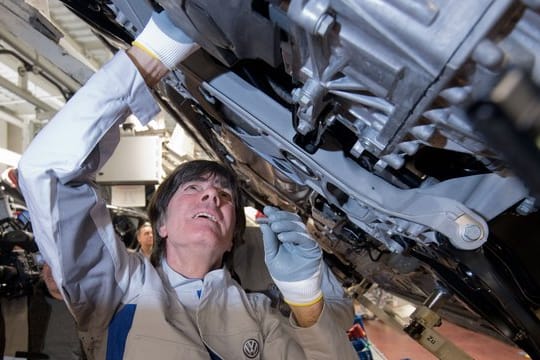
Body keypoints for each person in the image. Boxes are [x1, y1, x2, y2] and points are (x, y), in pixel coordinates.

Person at [17, 10, 358, 359]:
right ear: (161, 225)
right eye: (192, 189)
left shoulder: (260, 316)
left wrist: (305, 299)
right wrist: (149, 59)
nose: (212, 194)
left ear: (231, 241)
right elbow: (47, 171)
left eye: (225, 196)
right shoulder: (118, 291)